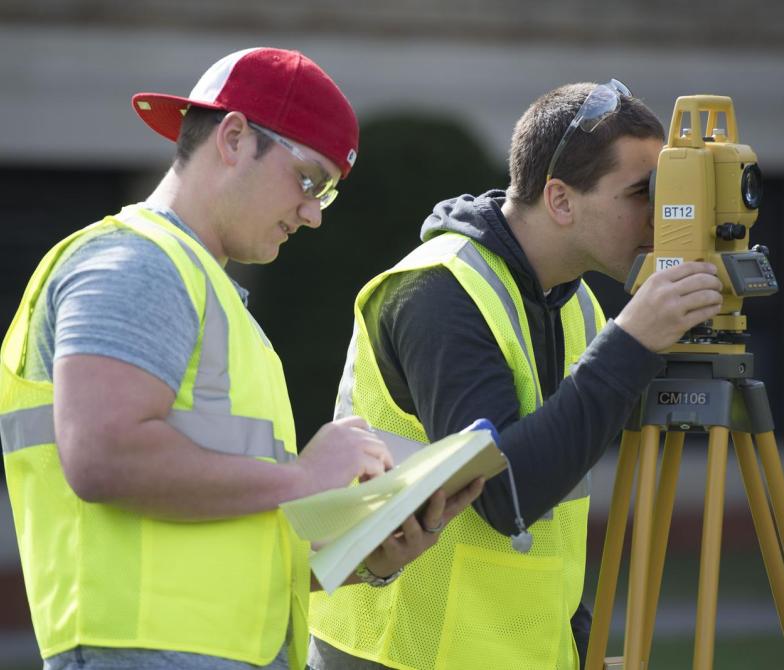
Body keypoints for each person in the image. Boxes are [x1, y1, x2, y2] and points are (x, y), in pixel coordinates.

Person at [0, 47, 483, 670]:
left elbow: (218, 539)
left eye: (327, 195)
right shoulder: (134, 263)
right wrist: (304, 479)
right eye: (311, 180)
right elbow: (102, 456)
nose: (312, 215)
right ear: (233, 137)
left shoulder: (205, 291)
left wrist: (360, 555)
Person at [307, 80, 724, 669]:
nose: (660, 218)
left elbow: (556, 508)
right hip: (400, 653)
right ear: (559, 199)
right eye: (641, 193)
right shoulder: (439, 291)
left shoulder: (579, 305)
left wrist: (577, 642)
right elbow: (505, 497)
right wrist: (632, 343)